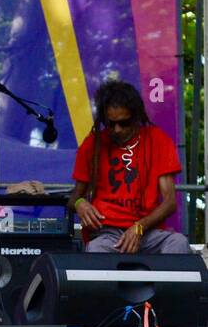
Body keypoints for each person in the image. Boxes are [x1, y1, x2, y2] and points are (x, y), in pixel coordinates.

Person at [68, 80, 190, 254]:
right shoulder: (92, 145)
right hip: (107, 233)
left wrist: (138, 228)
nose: (117, 129)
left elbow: (170, 203)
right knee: (95, 249)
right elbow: (74, 199)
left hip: (147, 231)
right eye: (110, 124)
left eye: (124, 123)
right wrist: (80, 204)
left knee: (178, 243)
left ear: (136, 117)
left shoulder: (158, 140)